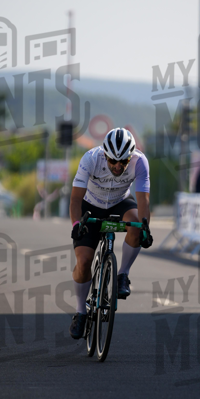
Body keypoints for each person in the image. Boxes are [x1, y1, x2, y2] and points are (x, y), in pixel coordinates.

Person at [69, 128, 153, 339]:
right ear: (104, 155)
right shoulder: (90, 158)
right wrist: (76, 225)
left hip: (119, 203)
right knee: (84, 261)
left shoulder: (140, 162)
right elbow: (75, 199)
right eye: (113, 161)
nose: (118, 166)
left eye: (123, 162)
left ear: (130, 157)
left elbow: (143, 200)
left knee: (136, 226)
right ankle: (80, 311)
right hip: (91, 205)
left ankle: (122, 273)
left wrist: (145, 228)